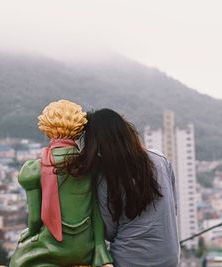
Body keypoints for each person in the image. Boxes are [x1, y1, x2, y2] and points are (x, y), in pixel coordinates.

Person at [63, 108, 180, 267]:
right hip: (169, 259)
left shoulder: (105, 177)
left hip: (128, 260)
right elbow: (173, 208)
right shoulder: (160, 160)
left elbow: (109, 231)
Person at [9, 100, 114, 267]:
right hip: (85, 247)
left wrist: (30, 232)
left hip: (53, 246)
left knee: (19, 260)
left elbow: (35, 220)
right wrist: (100, 249)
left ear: (46, 127)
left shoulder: (34, 169)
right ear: (78, 128)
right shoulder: (90, 166)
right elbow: (96, 213)